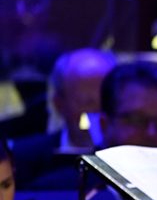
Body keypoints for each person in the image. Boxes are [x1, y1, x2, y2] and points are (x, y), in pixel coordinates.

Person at [10, 48, 117, 187]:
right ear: (59, 103)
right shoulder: (23, 158)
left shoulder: (129, 160)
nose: (97, 111)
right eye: (86, 102)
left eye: (105, 100)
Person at [0, 0, 61, 140]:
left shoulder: (64, 61)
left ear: (46, 5)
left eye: (31, 1)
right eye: (7, 2)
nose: (21, 13)